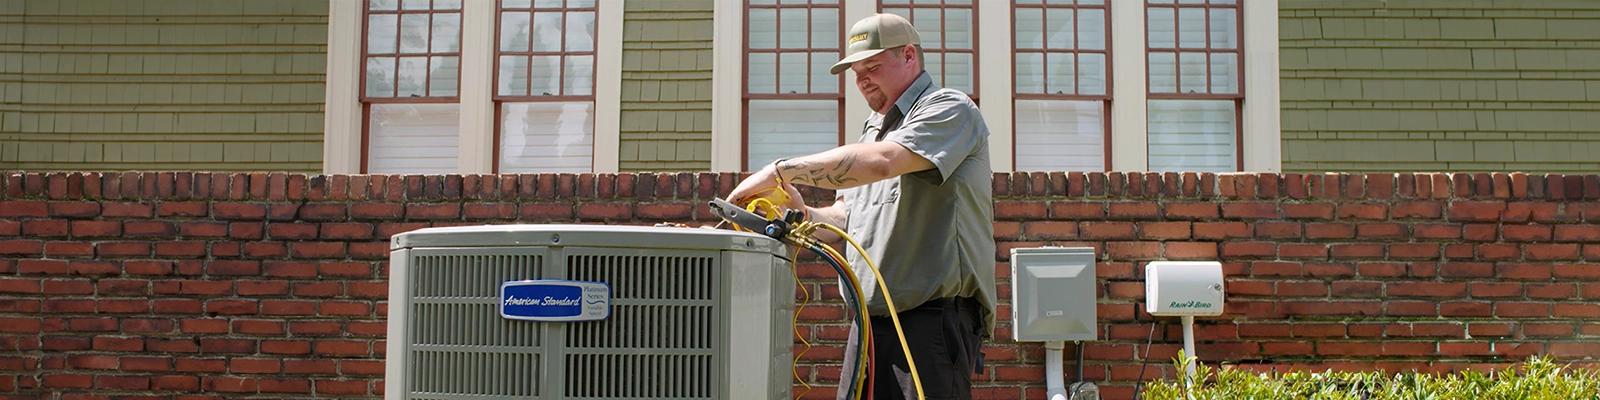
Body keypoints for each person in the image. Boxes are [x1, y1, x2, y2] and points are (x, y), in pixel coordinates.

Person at [725, 13, 996, 400]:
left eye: (872, 66)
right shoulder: (874, 129)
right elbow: (846, 217)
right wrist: (799, 216)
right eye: (855, 71)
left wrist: (780, 170)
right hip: (869, 325)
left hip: (929, 322)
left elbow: (884, 162)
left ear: (908, 56)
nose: (862, 78)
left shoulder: (948, 108)